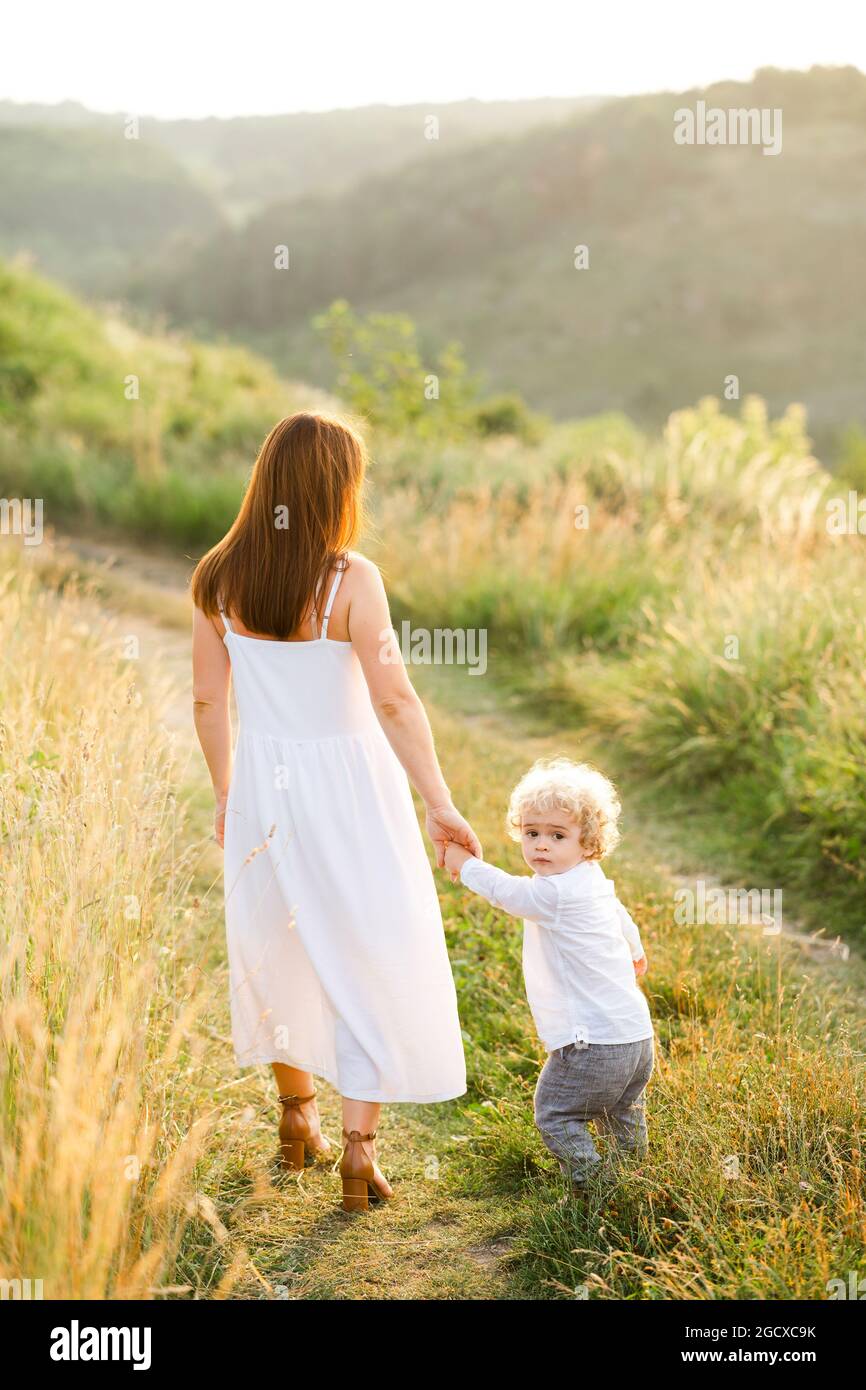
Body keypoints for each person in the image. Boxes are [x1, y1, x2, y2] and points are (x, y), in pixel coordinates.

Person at [191, 411, 481, 1212]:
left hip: (264, 788)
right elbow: (393, 699)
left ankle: (296, 1122)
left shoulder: (217, 576)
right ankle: (357, 1155)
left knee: (276, 945)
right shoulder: (352, 580)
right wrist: (439, 801)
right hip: (354, 790)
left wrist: (226, 792)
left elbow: (208, 699)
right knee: (368, 947)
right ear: (336, 489)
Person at [444, 756, 653, 1192]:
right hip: (636, 1036)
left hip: (591, 1042)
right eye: (532, 833)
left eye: (558, 836)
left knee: (556, 1113)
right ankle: (634, 1182)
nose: (541, 845)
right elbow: (622, 919)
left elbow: (507, 892)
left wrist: (463, 865)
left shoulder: (554, 892)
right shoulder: (591, 880)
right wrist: (635, 951)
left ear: (588, 842)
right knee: (623, 1110)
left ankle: (593, 1187)